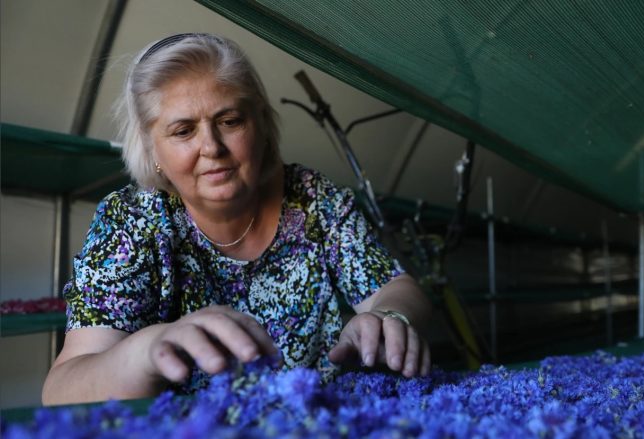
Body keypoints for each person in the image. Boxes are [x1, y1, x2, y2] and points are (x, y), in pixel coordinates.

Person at [42, 33, 432, 405]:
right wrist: (145, 350)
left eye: (229, 121)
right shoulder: (131, 222)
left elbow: (394, 285)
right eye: (183, 130)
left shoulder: (314, 199)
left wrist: (389, 315)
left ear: (261, 126)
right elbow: (62, 389)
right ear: (151, 149)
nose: (211, 147)